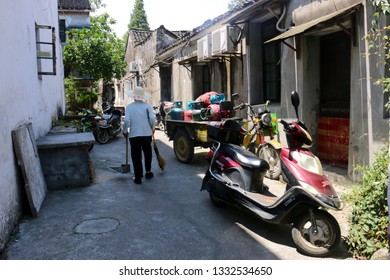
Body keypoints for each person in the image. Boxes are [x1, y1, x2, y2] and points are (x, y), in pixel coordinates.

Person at [122, 87, 156, 185]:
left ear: (134, 97)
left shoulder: (129, 107)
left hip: (134, 135)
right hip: (146, 134)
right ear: (142, 96)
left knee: (136, 156)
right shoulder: (148, 106)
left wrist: (124, 131)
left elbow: (127, 120)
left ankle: (138, 177)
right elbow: (152, 119)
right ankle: (148, 172)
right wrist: (152, 129)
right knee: (147, 153)